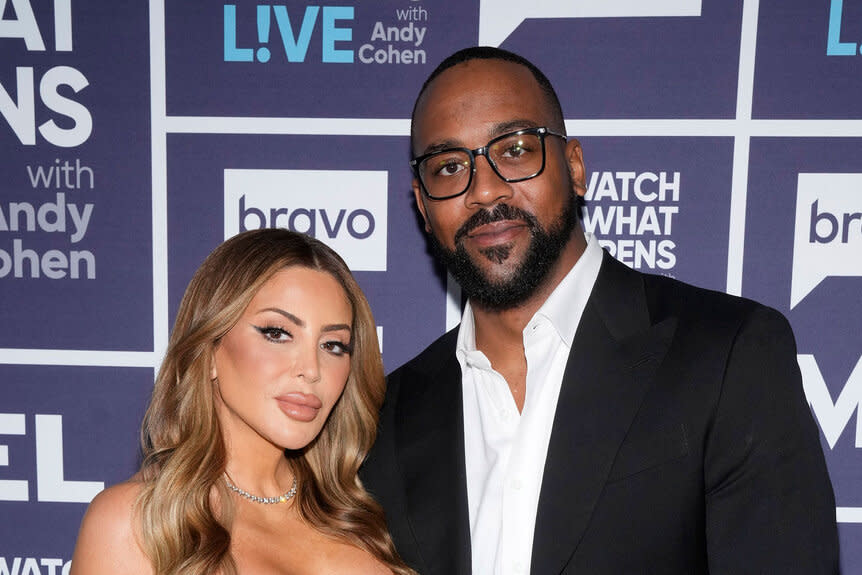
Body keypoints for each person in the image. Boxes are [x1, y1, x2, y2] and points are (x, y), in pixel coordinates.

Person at [360, 47, 840, 574]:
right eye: (449, 166)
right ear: (423, 206)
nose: (486, 189)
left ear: (575, 167)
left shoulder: (727, 355)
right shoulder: (383, 417)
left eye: (515, 149)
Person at [71, 229, 415, 575]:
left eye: (333, 345)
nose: (312, 370)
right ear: (209, 351)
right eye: (277, 333)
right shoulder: (135, 523)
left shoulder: (360, 514)